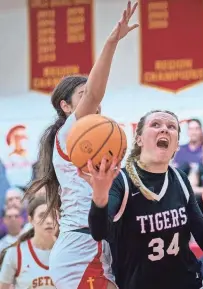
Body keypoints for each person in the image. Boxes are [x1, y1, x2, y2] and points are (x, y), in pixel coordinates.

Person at [25, 2, 139, 289]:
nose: (94, 100)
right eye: (83, 95)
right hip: (80, 249)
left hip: (95, 244)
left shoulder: (95, 143)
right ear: (65, 106)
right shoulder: (68, 134)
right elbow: (96, 91)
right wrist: (112, 42)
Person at [80, 110, 203, 289]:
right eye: (156, 125)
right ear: (139, 139)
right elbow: (99, 233)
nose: (165, 129)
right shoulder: (121, 180)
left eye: (171, 127)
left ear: (176, 146)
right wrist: (99, 197)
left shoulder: (180, 179)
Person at [0, 196, 56, 289]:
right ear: (31, 220)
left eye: (53, 215)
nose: (49, 221)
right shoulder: (14, 253)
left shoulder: (68, 252)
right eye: (42, 215)